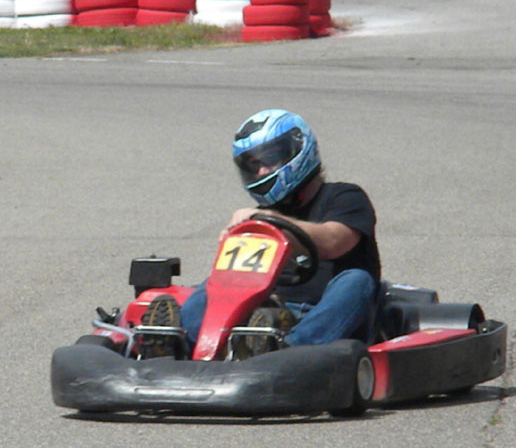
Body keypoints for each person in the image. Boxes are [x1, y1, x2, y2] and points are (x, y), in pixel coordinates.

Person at [142, 109, 381, 358]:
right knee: (215, 283)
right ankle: (176, 344)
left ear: (297, 150)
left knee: (356, 280)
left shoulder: (345, 197)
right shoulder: (260, 218)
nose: (262, 173)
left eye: (269, 159)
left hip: (323, 315)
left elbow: (333, 242)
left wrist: (272, 222)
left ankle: (290, 351)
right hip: (266, 315)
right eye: (254, 165)